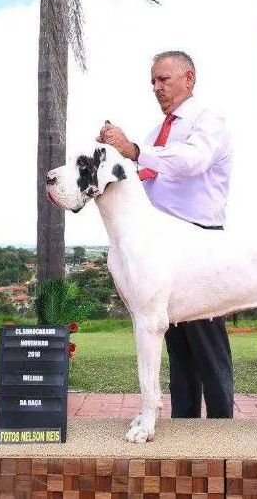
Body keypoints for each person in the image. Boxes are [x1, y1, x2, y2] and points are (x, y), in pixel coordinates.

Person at [99, 50, 234, 419]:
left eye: (164, 79)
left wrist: (134, 150)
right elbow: (138, 178)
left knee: (208, 346)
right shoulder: (154, 134)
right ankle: (184, 424)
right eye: (153, 82)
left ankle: (223, 428)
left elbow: (192, 162)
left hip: (200, 241)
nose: (156, 87)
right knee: (178, 347)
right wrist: (110, 154)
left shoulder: (208, 120)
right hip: (160, 246)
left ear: (188, 78)